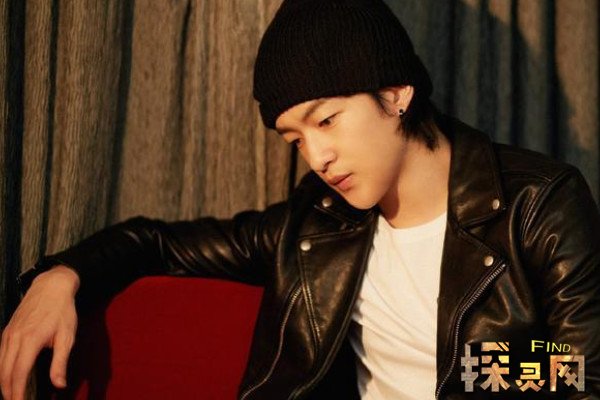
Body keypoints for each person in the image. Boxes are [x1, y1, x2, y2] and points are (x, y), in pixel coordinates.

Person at [1, 0, 599, 398]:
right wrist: (61, 276)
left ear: (397, 93)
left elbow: (581, 371)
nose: (317, 157)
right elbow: (159, 243)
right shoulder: (319, 224)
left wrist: (467, 368)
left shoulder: (537, 204)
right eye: (295, 139)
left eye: (327, 120)